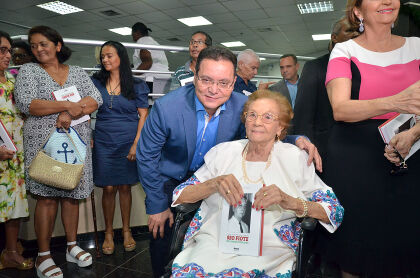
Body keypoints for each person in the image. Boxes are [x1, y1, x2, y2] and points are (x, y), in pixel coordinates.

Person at [137, 46, 322, 277]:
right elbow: (146, 156)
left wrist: (297, 140)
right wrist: (157, 205)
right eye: (206, 80)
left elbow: (263, 127)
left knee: (211, 240)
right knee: (163, 239)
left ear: (233, 82)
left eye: (223, 82)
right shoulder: (167, 108)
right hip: (172, 180)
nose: (214, 90)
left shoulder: (240, 106)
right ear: (195, 77)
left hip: (217, 179)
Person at [171, 89, 343, 277]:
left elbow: (333, 210)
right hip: (216, 241)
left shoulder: (295, 158)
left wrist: (290, 202)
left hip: (270, 248)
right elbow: (180, 195)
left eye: (268, 117)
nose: (257, 122)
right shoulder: (223, 153)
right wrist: (212, 184)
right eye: (252, 115)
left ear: (280, 127)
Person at [324, 0, 420, 277]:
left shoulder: (416, 47)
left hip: (410, 152)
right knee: (357, 250)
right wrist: (396, 101)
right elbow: (340, 108)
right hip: (357, 160)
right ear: (358, 11)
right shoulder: (345, 50)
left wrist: (413, 134)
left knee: (407, 245)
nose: (387, 1)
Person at [14, 26, 103, 278]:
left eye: (43, 44)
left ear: (58, 45)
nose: (38, 49)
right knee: (48, 197)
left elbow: (95, 99)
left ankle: (72, 246)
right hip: (44, 143)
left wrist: (69, 111)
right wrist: (68, 104)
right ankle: (43, 255)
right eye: (33, 46)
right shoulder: (28, 71)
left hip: (76, 141)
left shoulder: (76, 72)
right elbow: (28, 103)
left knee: (72, 193)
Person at [91, 41, 149, 255]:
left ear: (121, 57)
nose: (105, 60)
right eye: (103, 57)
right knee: (107, 188)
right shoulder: (95, 82)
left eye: (109, 55)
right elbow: (86, 109)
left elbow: (143, 115)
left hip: (128, 140)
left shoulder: (136, 84)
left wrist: (136, 143)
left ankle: (126, 231)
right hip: (104, 140)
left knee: (125, 186)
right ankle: (108, 233)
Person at [292, 18, 356, 172]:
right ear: (334, 37)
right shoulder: (315, 67)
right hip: (326, 153)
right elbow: (303, 116)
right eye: (349, 30)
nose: (355, 34)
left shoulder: (363, 68)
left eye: (358, 31)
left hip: (358, 148)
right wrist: (308, 153)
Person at [0, 30, 33, 271]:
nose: (8, 55)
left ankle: (10, 251)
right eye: (2, 50)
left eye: (9, 50)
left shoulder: (12, 82)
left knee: (13, 206)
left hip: (14, 157)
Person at [131, 22, 169, 92]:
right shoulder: (154, 43)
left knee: (147, 102)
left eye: (132, 33)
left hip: (152, 80)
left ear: (137, 32)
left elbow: (147, 63)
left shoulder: (142, 41)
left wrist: (131, 75)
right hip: (164, 80)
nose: (131, 35)